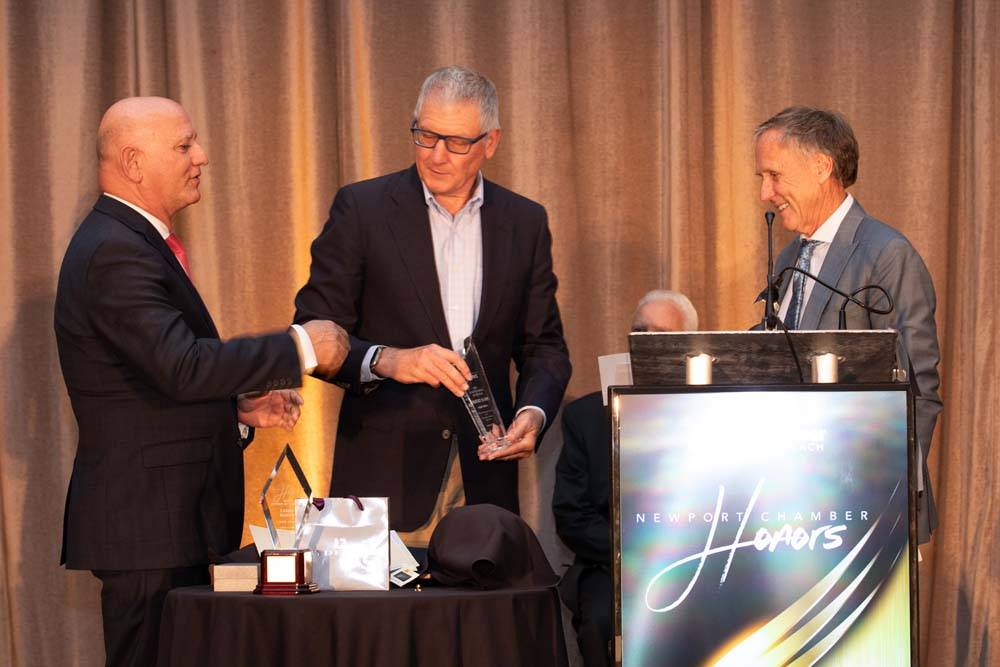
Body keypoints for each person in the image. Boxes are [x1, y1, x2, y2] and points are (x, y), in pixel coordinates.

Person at [54, 97, 348, 666]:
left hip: (165, 524)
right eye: (184, 145)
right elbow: (182, 364)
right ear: (134, 163)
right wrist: (302, 346)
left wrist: (233, 408)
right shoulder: (115, 250)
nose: (202, 156)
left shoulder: (130, 241)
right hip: (147, 531)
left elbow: (150, 378)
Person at [294, 66, 571, 547]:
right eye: (425, 135)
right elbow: (312, 333)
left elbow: (543, 346)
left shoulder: (524, 222)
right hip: (383, 478)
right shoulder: (362, 210)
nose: (436, 155)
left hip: (485, 478)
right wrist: (388, 360)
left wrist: (533, 413)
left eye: (456, 142)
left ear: (491, 142)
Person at [753, 106, 943, 541]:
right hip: (791, 504)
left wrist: (887, 496)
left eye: (774, 175)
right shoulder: (790, 257)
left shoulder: (886, 253)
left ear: (822, 167)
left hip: (863, 504)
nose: (765, 193)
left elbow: (919, 388)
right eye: (762, 178)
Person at [553, 290, 697, 667]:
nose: (646, 342)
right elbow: (571, 516)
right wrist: (634, 553)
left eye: (661, 335)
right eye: (640, 332)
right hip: (612, 565)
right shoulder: (585, 417)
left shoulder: (714, 413)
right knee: (601, 621)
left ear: (688, 346)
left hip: (699, 560)